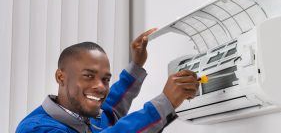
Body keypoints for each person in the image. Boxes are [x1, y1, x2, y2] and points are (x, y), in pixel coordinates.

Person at [16, 28, 199, 133]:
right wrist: (164, 103)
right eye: (88, 76)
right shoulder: (36, 128)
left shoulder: (88, 114)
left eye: (105, 79)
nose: (100, 87)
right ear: (60, 77)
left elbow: (112, 105)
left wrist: (136, 64)